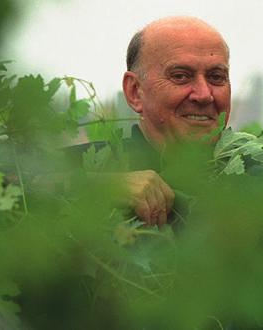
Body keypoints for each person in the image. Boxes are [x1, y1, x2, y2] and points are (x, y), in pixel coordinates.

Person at [94, 16, 231, 228]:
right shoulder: (90, 170)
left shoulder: (255, 179)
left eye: (216, 76)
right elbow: (28, 187)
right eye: (181, 76)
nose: (204, 95)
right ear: (134, 92)